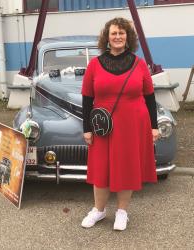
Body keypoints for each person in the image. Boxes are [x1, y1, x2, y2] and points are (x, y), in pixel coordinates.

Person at [81, 17, 159, 231]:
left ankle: (122, 212)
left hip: (133, 124)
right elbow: (87, 98)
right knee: (101, 169)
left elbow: (150, 96)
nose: (117, 37)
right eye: (114, 33)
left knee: (127, 168)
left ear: (128, 37)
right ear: (107, 37)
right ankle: (99, 210)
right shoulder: (94, 64)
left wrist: (154, 126)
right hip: (102, 126)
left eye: (122, 33)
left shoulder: (140, 64)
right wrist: (86, 128)